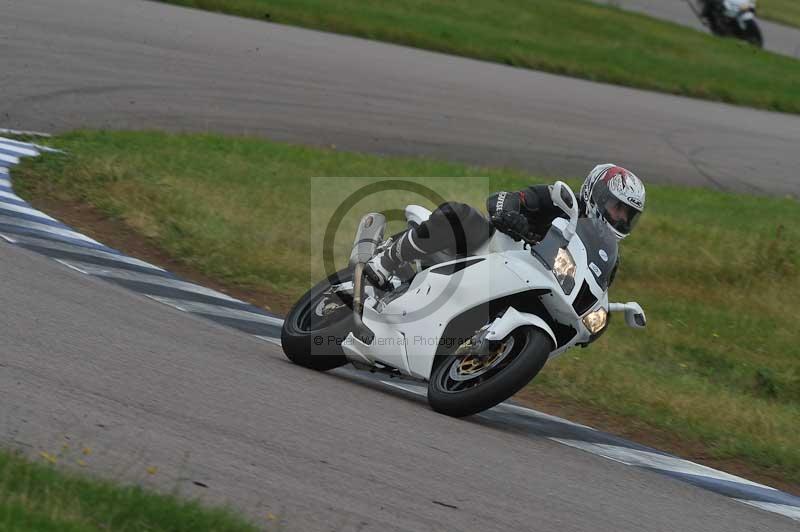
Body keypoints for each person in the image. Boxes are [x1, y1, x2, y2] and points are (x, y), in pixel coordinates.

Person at [366, 164, 646, 288]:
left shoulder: (606, 254)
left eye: (628, 214)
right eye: (617, 207)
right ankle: (387, 259)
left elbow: (593, 289)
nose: (620, 218)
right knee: (460, 214)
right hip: (491, 251)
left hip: (530, 283)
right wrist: (511, 216)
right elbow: (502, 199)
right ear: (597, 194)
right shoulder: (561, 200)